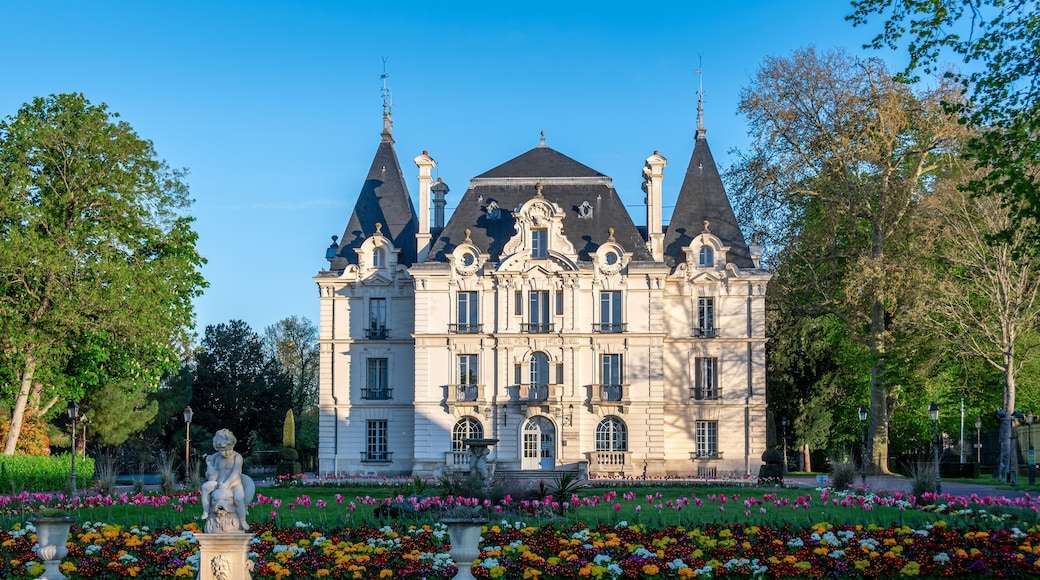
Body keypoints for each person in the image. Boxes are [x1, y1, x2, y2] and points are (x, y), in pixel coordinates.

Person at [200, 429, 249, 532]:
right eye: (222, 450)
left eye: (228, 449)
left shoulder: (237, 457)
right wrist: (209, 470)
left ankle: (242, 520)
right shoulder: (216, 457)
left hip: (234, 484)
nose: (226, 453)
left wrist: (227, 483)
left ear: (232, 445)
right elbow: (209, 471)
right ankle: (205, 511)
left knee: (238, 499)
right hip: (218, 483)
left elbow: (235, 472)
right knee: (205, 487)